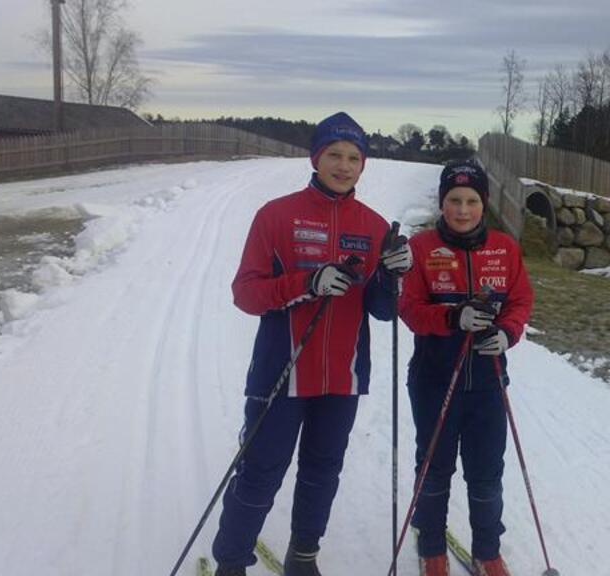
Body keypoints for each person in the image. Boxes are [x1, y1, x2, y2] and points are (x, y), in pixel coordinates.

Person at [212, 112, 413, 576]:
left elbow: (383, 310)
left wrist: (392, 274)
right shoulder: (276, 215)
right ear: (316, 157)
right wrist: (308, 282)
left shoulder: (374, 225)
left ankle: (303, 555)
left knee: (322, 473)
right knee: (261, 471)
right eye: (334, 155)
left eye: (353, 158)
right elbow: (246, 293)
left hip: (342, 377)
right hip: (281, 372)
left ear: (364, 165)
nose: (343, 166)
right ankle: (230, 561)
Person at [398, 160, 534, 576]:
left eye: (471, 200)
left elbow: (520, 301)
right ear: (442, 203)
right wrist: (452, 318)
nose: (462, 210)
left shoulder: (505, 247)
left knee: (486, 471)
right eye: (454, 200)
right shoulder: (420, 248)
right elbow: (408, 308)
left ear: (483, 203)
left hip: (488, 382)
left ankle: (487, 550)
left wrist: (508, 333)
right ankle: (432, 545)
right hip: (435, 380)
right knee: (435, 467)